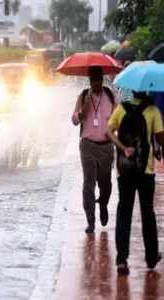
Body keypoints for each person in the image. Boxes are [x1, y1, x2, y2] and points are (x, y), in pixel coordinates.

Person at [107, 91, 164, 275]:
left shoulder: (121, 109)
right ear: (147, 91)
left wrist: (123, 148)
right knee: (147, 212)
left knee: (124, 211)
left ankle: (122, 260)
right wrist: (156, 146)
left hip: (124, 170)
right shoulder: (153, 110)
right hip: (145, 171)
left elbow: (108, 131)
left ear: (132, 91)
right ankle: (151, 256)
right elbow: (161, 138)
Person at [72, 66, 116, 234]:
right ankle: (90, 221)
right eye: (92, 80)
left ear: (102, 79)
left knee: (105, 183)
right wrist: (81, 112)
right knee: (88, 184)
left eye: (98, 80)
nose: (95, 83)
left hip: (106, 146)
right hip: (87, 146)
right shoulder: (83, 96)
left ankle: (103, 203)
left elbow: (119, 116)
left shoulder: (111, 96)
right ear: (89, 80)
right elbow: (74, 120)